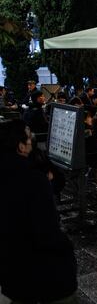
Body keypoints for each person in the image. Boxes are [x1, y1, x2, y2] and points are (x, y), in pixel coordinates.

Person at [0, 120, 77, 303]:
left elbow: (57, 179)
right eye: (28, 135)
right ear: (20, 146)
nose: (32, 137)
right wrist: (66, 249)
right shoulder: (33, 179)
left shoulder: (28, 165)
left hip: (11, 271)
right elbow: (46, 230)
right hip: (44, 271)